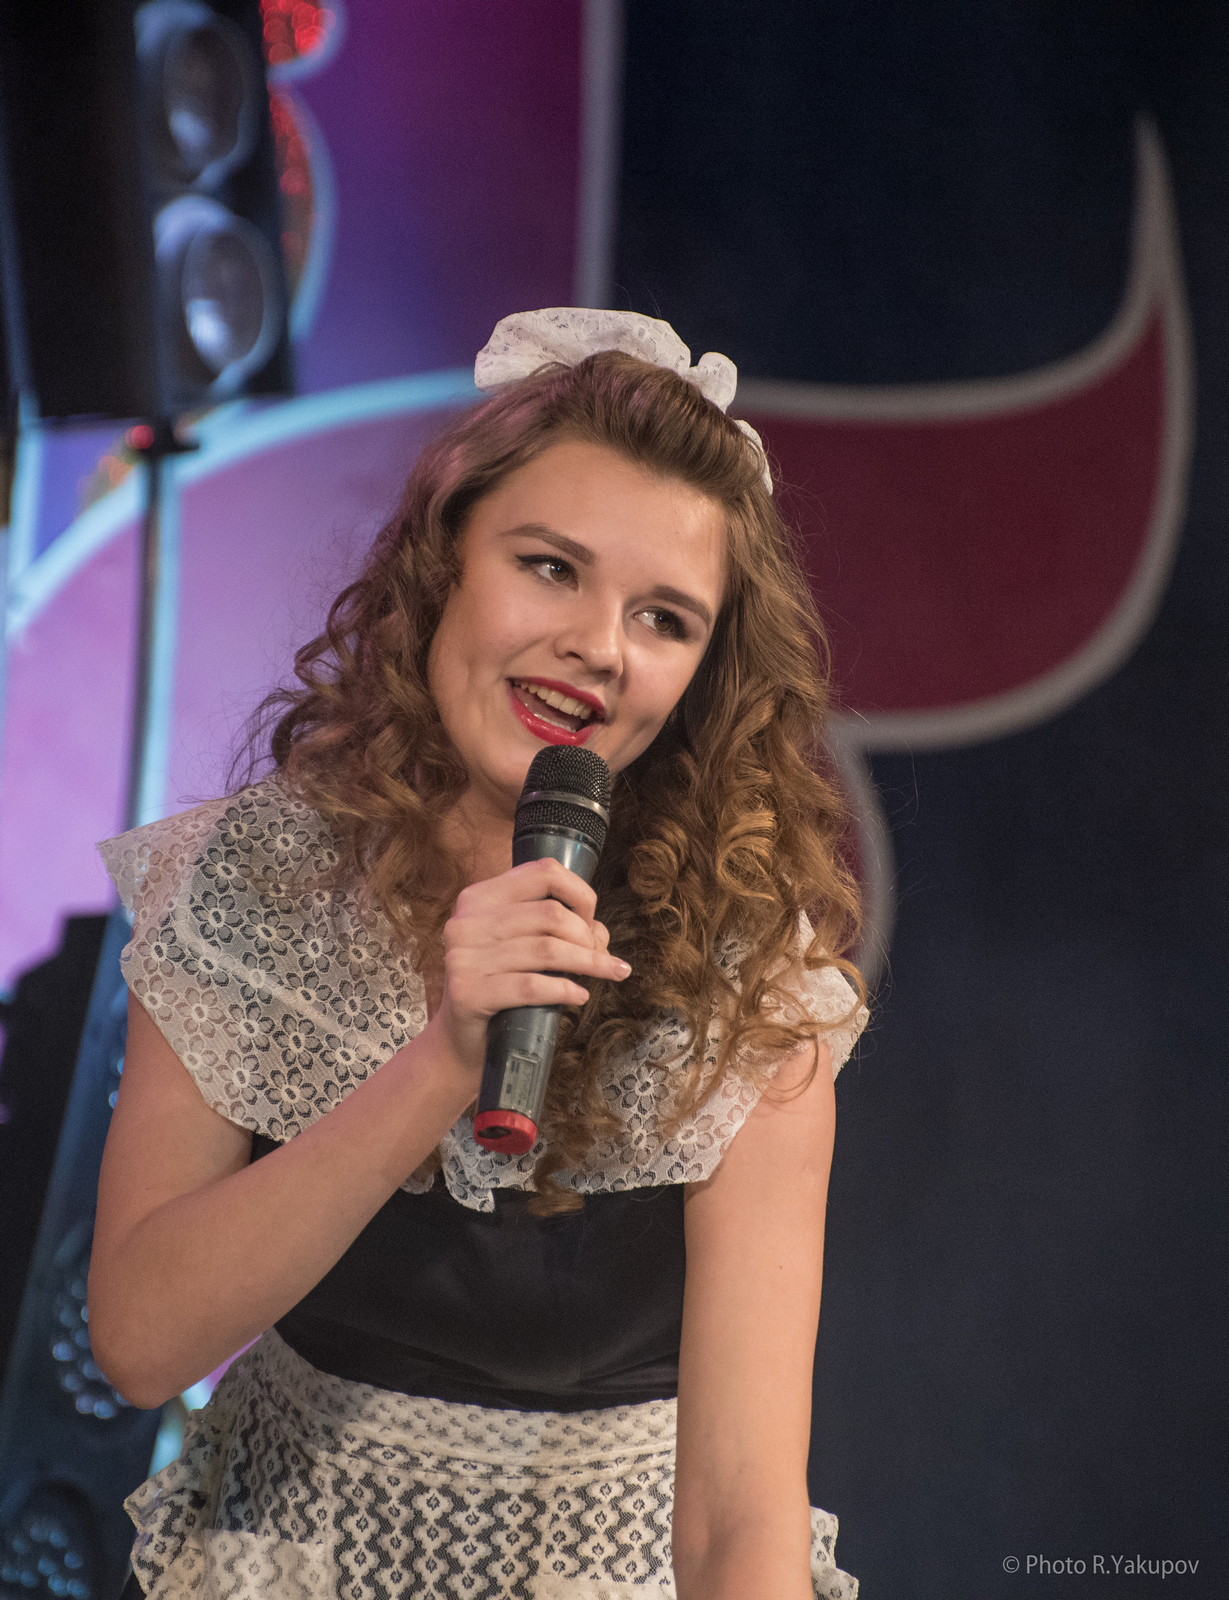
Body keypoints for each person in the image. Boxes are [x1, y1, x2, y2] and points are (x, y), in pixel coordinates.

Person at [89, 308, 868, 1600]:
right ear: (443, 558)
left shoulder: (754, 988)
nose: (599, 648)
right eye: (550, 568)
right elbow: (140, 1341)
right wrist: (442, 1059)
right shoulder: (251, 882)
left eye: (665, 619)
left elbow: (741, 1516)